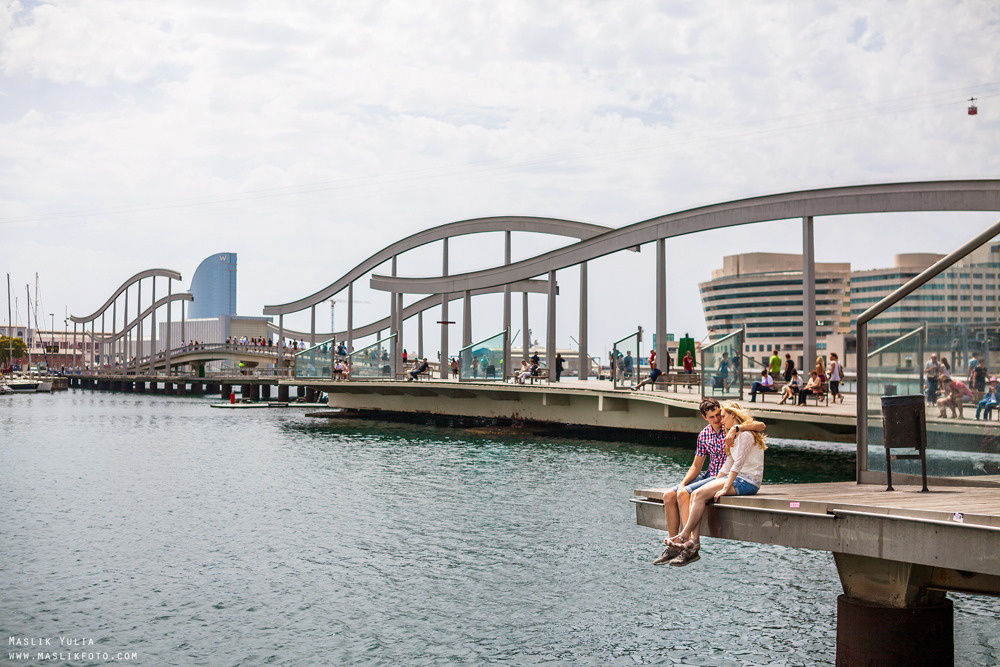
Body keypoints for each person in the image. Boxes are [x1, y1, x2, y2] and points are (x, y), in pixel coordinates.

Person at [652, 399, 765, 566]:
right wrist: (683, 482)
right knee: (669, 495)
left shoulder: (734, 430)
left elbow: (758, 428)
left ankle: (689, 544)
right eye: (712, 417)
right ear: (705, 417)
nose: (718, 419)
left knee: (686, 495)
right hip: (717, 475)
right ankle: (676, 547)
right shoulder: (705, 434)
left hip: (732, 477)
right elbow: (698, 465)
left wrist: (736, 428)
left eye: (720, 415)